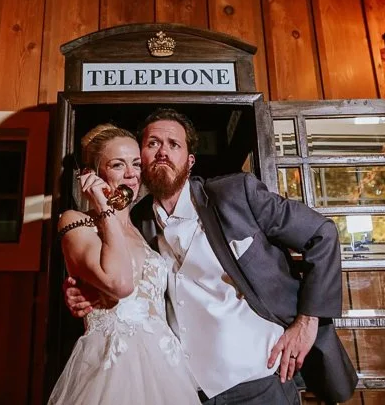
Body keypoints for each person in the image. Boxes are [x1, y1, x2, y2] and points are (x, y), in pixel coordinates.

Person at [64, 109, 357, 405]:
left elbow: (322, 234)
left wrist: (307, 322)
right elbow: (123, 278)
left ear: (190, 162)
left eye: (173, 144)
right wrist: (86, 289)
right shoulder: (136, 223)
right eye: (152, 144)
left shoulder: (235, 194)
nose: (162, 151)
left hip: (261, 381)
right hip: (185, 390)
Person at [49, 123, 200, 405]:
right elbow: (120, 283)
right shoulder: (77, 220)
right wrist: (104, 207)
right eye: (118, 165)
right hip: (114, 362)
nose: (131, 175)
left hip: (166, 365)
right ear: (92, 174)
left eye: (136, 165)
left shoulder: (144, 228)